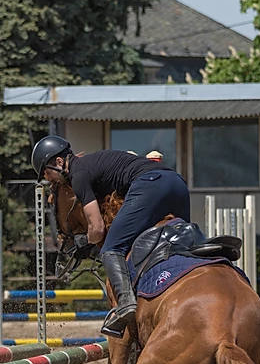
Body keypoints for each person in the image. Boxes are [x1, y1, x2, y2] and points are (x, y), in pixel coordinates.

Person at [31, 136, 191, 338]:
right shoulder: (92, 164)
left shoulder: (78, 176)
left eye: (47, 172)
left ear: (60, 162)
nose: (49, 178)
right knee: (181, 241)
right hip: (177, 183)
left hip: (149, 185)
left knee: (112, 248)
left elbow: (97, 229)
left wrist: (83, 241)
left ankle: (125, 305)